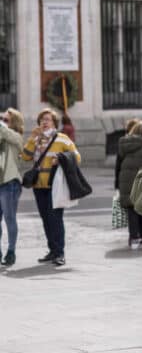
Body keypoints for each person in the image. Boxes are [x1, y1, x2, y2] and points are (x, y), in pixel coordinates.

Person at [21, 108, 80, 267]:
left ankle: (60, 253)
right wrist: (32, 138)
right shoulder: (37, 139)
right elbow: (25, 156)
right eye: (42, 120)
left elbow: (76, 157)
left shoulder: (62, 138)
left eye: (47, 119)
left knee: (55, 218)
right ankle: (52, 250)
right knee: (46, 219)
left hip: (55, 185)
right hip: (38, 186)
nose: (44, 122)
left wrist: (60, 158)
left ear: (54, 122)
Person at [115, 121, 142, 250]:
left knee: (131, 208)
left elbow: (118, 165)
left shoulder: (123, 144)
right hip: (141, 180)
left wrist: (117, 184)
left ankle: (134, 237)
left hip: (125, 181)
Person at [0, 108, 24, 267]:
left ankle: (11, 251)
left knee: (10, 219)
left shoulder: (17, 137)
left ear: (13, 122)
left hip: (10, 184)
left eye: (6, 119)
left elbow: (8, 134)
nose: (3, 121)